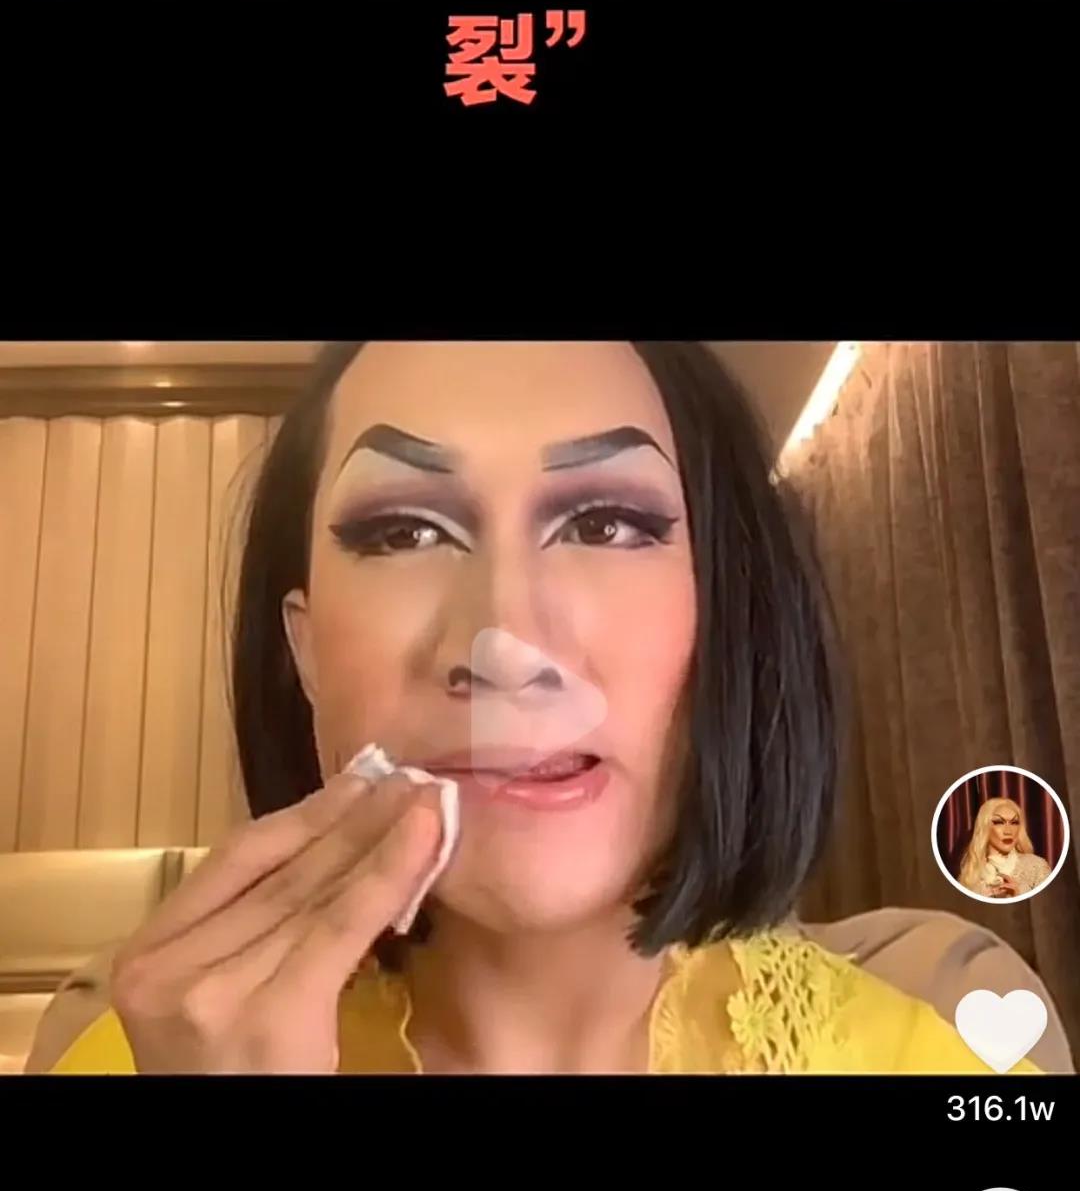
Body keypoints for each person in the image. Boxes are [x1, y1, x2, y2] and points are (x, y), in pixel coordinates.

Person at [48, 342, 1040, 1076]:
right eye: (404, 531)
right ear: (302, 651)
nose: (506, 640)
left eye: (605, 522)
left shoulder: (931, 1064)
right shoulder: (142, 1055)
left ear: (729, 620)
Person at [956, 797, 1051, 900]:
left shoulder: (1036, 867)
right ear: (984, 827)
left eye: (1014, 822)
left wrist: (1017, 898)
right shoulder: (970, 874)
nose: (1008, 831)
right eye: (999, 822)